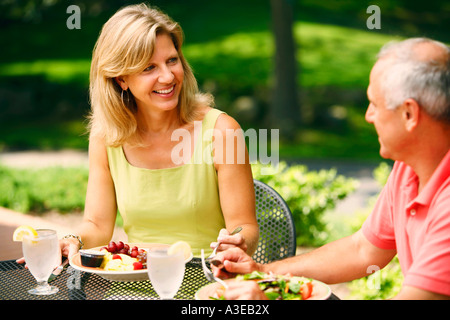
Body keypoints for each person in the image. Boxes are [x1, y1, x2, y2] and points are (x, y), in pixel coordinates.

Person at [212, 37, 450, 300]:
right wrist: (263, 273)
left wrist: (268, 299)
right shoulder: (409, 167)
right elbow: (363, 250)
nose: (368, 116)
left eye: (375, 104)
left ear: (409, 114)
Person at [56, 3, 259, 259]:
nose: (168, 76)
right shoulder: (106, 138)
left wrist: (237, 242)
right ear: (121, 79)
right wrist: (72, 240)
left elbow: (245, 226)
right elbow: (97, 225)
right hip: (135, 284)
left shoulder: (222, 131)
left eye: (171, 60)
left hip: (208, 283)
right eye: (149, 68)